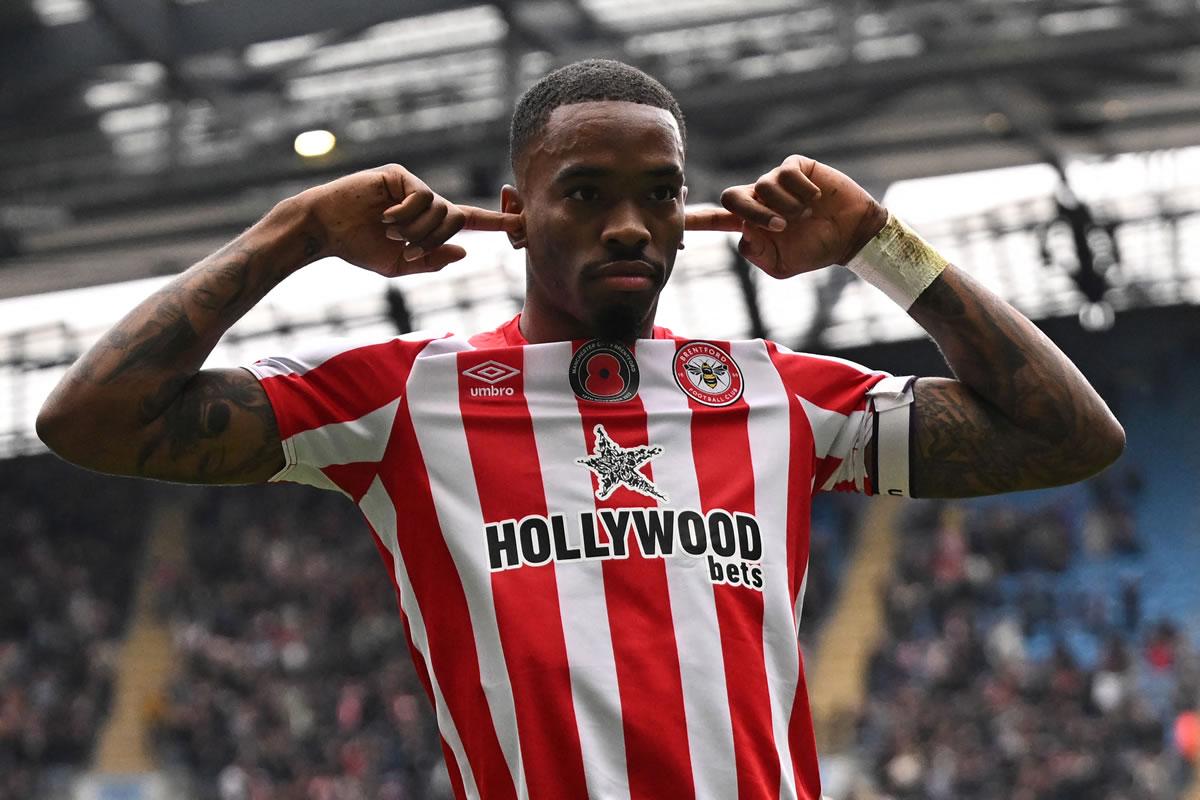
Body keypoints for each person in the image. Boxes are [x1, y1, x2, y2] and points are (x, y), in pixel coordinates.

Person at [37, 59, 1124, 799]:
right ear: (514, 211)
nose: (629, 224)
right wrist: (296, 231)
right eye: (584, 191)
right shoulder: (407, 400)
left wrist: (882, 244)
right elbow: (90, 418)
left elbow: (1069, 436)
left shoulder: (776, 395)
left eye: (661, 193)